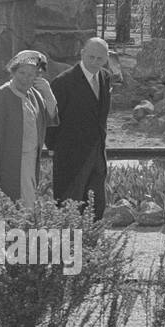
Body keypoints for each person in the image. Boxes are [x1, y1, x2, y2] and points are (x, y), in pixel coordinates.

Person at [0, 50, 58, 202]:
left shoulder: (35, 95)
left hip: (30, 161)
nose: (25, 78)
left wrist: (48, 93)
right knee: (10, 207)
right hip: (7, 163)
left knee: (27, 206)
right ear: (13, 72)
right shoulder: (1, 95)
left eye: (31, 74)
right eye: (22, 73)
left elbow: (52, 117)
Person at [46, 36, 110, 220]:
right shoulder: (63, 82)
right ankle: (68, 247)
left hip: (97, 153)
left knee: (96, 205)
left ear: (106, 58)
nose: (94, 62)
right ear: (82, 54)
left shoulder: (105, 78)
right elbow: (52, 118)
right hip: (71, 156)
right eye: (91, 57)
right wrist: (52, 148)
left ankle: (94, 245)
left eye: (100, 59)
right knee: (70, 205)